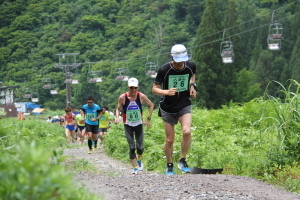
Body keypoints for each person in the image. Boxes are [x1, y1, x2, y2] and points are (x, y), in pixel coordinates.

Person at [152, 44, 196, 175]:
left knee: (187, 132)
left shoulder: (190, 66)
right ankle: (169, 164)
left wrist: (193, 86)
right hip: (167, 106)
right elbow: (154, 89)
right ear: (172, 57)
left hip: (184, 103)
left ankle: (182, 160)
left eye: (182, 59)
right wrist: (166, 92)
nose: (180, 63)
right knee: (170, 140)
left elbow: (192, 75)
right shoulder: (164, 69)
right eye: (177, 60)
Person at [115, 77, 154, 175]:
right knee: (132, 146)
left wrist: (148, 119)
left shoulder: (141, 96)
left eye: (135, 88)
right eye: (131, 87)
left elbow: (151, 105)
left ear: (138, 87)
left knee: (139, 147)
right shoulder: (122, 97)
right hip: (128, 124)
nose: (133, 90)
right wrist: (116, 118)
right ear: (128, 87)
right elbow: (118, 108)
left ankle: (139, 159)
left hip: (138, 124)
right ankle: (135, 167)